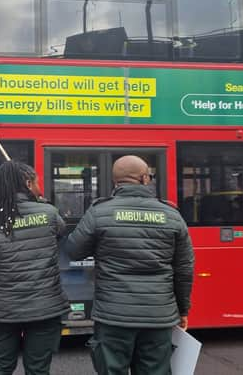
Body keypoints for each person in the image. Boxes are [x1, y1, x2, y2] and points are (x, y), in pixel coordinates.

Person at [67, 155, 194, 375]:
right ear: (145, 178)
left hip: (112, 316)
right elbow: (184, 270)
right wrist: (182, 309)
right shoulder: (171, 215)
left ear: (115, 182)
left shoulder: (99, 212)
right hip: (158, 315)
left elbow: (73, 250)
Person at [0, 160, 69, 375]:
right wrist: (41, 203)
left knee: (0, 366)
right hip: (46, 308)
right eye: (37, 182)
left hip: (4, 310)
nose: (39, 186)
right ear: (27, 183)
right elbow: (61, 231)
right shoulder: (50, 213)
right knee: (38, 369)